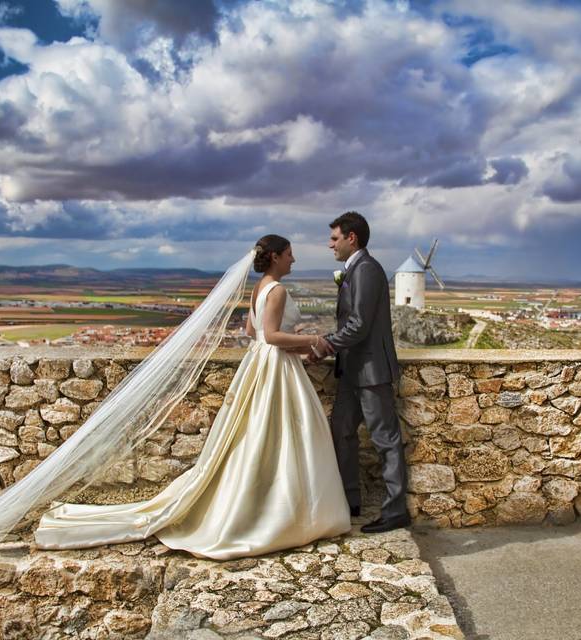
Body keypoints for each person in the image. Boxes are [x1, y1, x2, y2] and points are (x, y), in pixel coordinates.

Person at [33, 235, 351, 558]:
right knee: (283, 438)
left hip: (260, 364)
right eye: (289, 254)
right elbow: (270, 336)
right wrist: (313, 338)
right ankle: (285, 512)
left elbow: (251, 334)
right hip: (276, 371)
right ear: (274, 258)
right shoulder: (278, 290)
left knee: (254, 438)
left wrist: (295, 344)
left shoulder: (258, 289)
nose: (293, 260)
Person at [312, 212, 411, 534]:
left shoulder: (367, 269)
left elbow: (358, 325)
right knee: (341, 432)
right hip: (351, 371)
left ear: (351, 238)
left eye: (334, 238)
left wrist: (324, 344)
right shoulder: (354, 269)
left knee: (385, 441)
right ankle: (348, 499)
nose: (330, 245)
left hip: (371, 371)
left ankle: (395, 511)